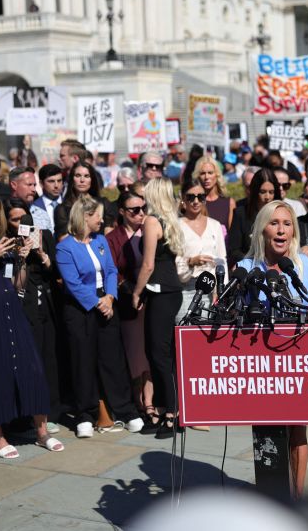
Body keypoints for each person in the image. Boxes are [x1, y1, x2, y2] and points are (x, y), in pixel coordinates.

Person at [0, 195, 62, 459]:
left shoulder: (5, 241)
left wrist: (21, 260)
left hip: (12, 310)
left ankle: (41, 432)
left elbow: (17, 284)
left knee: (31, 368)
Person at [236, 200, 308, 499]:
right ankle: (271, 496)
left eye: (287, 223)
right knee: (266, 431)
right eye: (274, 223)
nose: (281, 229)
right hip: (260, 364)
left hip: (297, 361)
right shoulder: (246, 268)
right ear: (262, 229)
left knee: (298, 430)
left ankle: (298, 499)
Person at [56, 195, 143, 438]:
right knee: (83, 361)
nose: (101, 219)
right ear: (85, 217)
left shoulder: (101, 240)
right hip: (80, 309)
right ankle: (85, 414)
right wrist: (96, 302)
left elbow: (112, 271)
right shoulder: (65, 247)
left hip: (106, 302)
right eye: (97, 215)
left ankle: (125, 411)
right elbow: (72, 283)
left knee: (112, 359)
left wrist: (110, 297)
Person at [3, 199, 62, 434]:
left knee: (49, 358)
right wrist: (20, 256)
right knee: (27, 361)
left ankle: (51, 412)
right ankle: (27, 415)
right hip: (22, 306)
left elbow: (55, 271)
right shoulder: (7, 243)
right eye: (14, 220)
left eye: (23, 218)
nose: (20, 224)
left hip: (45, 304)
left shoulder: (44, 235)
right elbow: (9, 278)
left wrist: (40, 252)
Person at [132, 178, 185, 439]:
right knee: (162, 355)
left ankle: (172, 413)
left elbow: (148, 265)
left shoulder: (152, 222)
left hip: (161, 292)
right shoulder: (170, 220)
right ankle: (167, 409)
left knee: (159, 354)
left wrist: (136, 292)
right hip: (169, 292)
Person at [106, 191, 155, 427]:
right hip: (128, 303)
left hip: (151, 299)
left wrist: (145, 291)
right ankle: (138, 403)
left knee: (149, 353)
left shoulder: (150, 230)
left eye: (143, 208)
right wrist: (132, 291)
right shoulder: (113, 237)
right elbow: (112, 270)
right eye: (134, 210)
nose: (140, 213)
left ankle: (150, 402)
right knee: (135, 354)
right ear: (123, 212)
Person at [175, 177, 227, 324]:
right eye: (191, 197)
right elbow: (175, 261)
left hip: (211, 290)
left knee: (206, 339)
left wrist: (220, 291)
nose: (196, 201)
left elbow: (221, 259)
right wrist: (191, 261)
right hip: (185, 288)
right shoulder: (176, 226)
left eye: (200, 197)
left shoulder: (215, 225)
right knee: (184, 333)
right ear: (183, 199)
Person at [227, 168, 279, 265]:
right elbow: (234, 251)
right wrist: (253, 262)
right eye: (262, 192)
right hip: (250, 269)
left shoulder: (281, 213)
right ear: (254, 191)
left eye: (271, 192)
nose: (267, 197)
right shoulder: (241, 213)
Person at [54, 161, 116, 240]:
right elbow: (64, 240)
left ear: (92, 179)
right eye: (78, 175)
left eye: (86, 176)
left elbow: (109, 236)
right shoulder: (62, 209)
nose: (82, 180)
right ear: (72, 179)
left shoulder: (103, 203)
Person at [194, 155, 236, 231]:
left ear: (217, 175)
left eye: (210, 173)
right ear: (198, 176)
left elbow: (232, 236)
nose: (206, 177)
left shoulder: (229, 203)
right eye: (202, 173)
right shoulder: (194, 202)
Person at [8, 166, 52, 233]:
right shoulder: (1, 211)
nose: (34, 190)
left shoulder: (41, 214)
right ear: (14, 185)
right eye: (29, 185)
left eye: (34, 185)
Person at [33, 164, 64, 229]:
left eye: (59, 181)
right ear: (41, 184)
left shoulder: (70, 204)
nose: (56, 185)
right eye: (51, 181)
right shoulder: (33, 208)